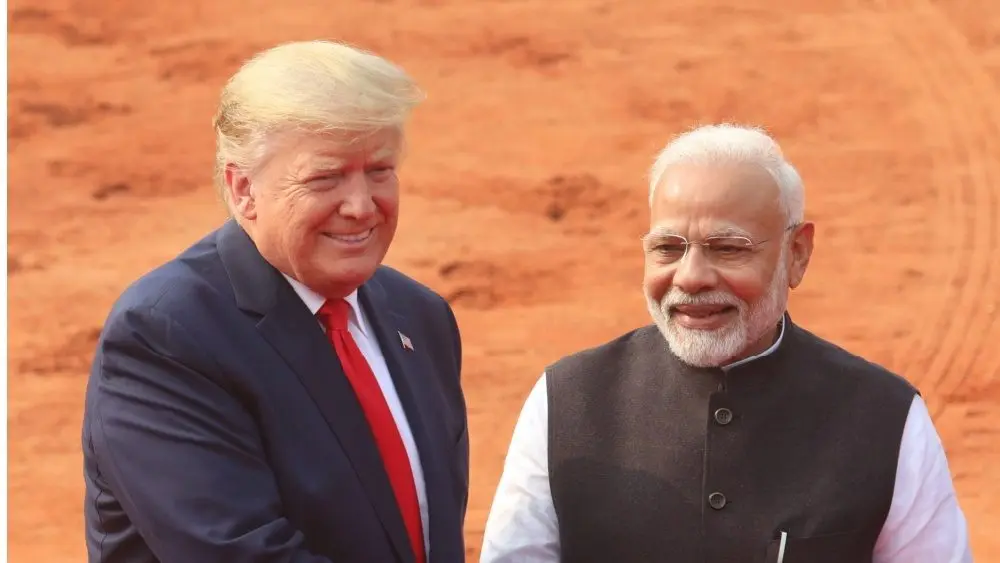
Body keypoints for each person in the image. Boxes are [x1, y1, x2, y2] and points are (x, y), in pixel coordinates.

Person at [479, 124, 973, 563]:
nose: (690, 277)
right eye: (668, 248)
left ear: (797, 254)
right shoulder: (567, 401)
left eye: (728, 248)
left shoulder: (885, 417)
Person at [81, 40, 469, 563]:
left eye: (379, 171)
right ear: (243, 189)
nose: (361, 206)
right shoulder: (167, 335)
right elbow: (239, 554)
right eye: (325, 178)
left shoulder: (419, 317)